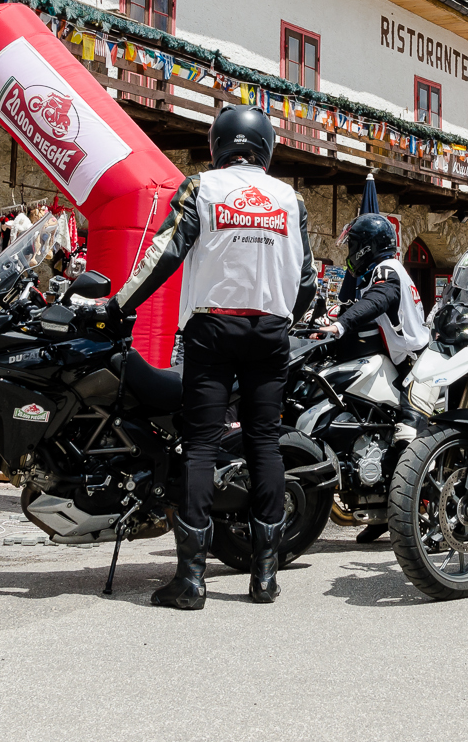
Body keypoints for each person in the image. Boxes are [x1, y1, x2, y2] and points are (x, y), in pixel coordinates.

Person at [99, 105, 316, 610]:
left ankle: (191, 581)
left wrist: (118, 306)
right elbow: (305, 278)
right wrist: (288, 318)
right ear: (265, 147)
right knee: (264, 443)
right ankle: (265, 578)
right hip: (271, 331)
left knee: (200, 444)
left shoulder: (202, 187)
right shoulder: (291, 199)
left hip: (212, 328)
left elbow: (166, 252)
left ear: (219, 144)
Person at [321, 212, 431, 543]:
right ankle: (381, 509)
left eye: (354, 245)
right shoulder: (375, 273)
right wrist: (328, 317)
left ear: (369, 247)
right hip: (400, 362)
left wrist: (341, 324)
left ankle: (426, 518)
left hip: (418, 365)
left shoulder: (387, 270)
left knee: (408, 437)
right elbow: (364, 303)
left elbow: (379, 300)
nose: (350, 252)